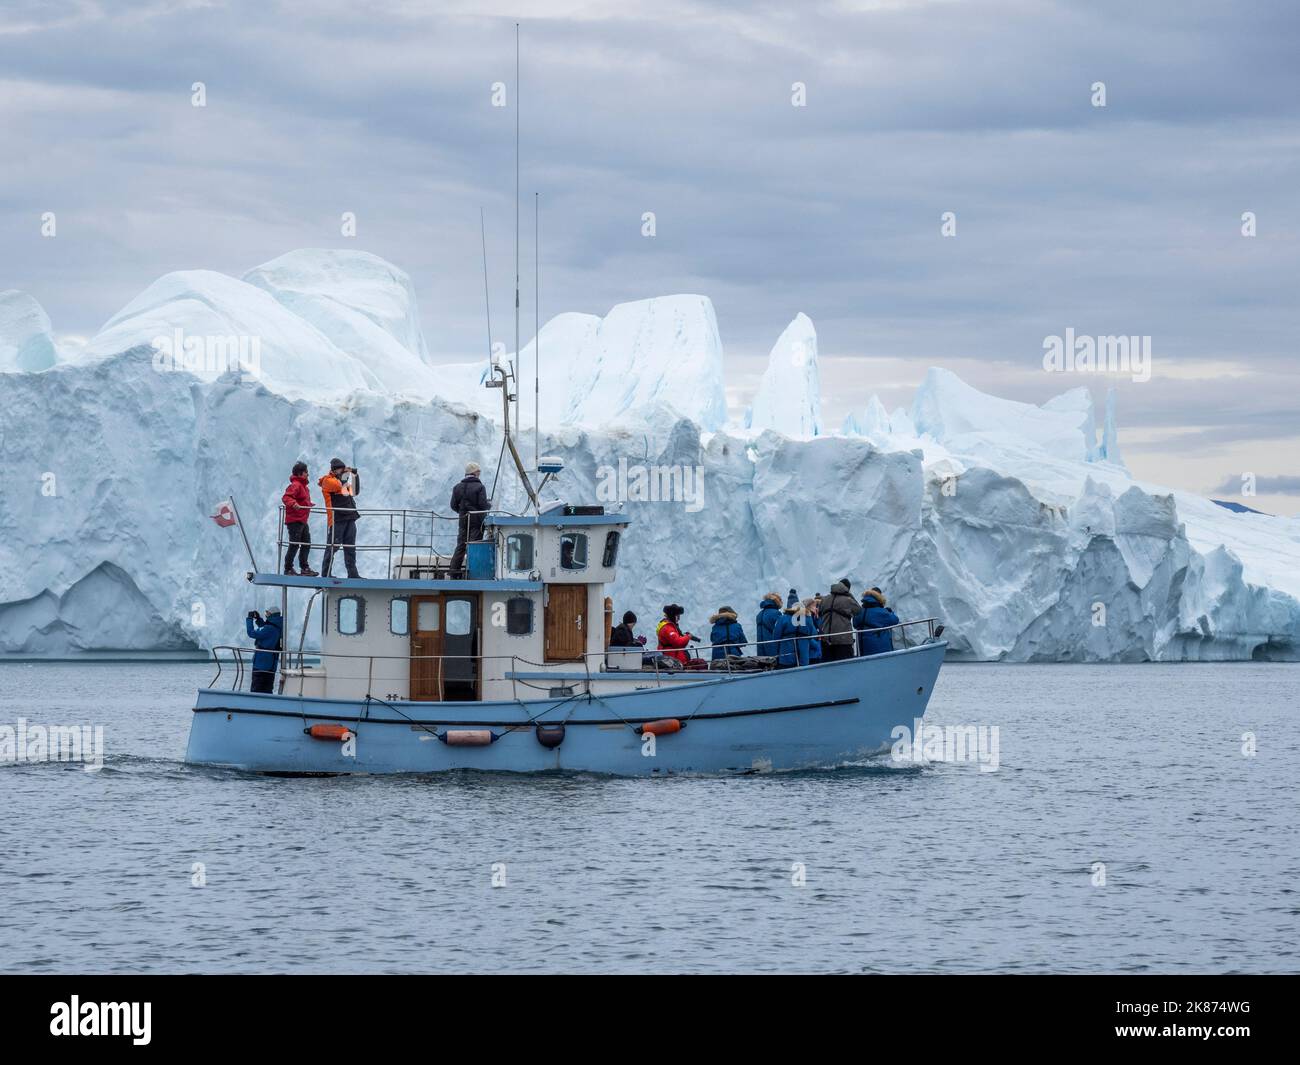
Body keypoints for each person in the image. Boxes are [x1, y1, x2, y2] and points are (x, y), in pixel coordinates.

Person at [319, 458, 361, 578]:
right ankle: (326, 574)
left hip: (349, 517)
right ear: (334, 470)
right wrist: (345, 475)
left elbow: (355, 492)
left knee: (350, 547)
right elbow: (338, 486)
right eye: (341, 469)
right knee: (333, 547)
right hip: (337, 519)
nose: (343, 471)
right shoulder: (328, 481)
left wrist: (355, 475)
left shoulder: (343, 482)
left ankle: (353, 574)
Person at [450, 461, 490, 577]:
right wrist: (489, 505)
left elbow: (453, 505)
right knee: (474, 546)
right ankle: (473, 572)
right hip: (477, 522)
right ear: (475, 472)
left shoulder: (457, 487)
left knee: (461, 545)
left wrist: (462, 512)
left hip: (463, 521)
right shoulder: (480, 487)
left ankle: (453, 571)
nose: (479, 474)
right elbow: (482, 505)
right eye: (479, 471)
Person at [281, 461, 318, 576]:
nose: (308, 474)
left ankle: (304, 568)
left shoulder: (303, 487)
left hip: (301, 520)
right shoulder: (296, 485)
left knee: (306, 543)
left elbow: (302, 500)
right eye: (306, 472)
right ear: (300, 473)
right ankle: (288, 568)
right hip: (295, 520)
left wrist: (308, 504)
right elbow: (286, 497)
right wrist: (293, 503)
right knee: (295, 543)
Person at [245, 607, 284, 694]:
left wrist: (249, 619)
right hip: (270, 664)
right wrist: (258, 619)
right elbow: (266, 629)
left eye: (268, 613)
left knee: (257, 688)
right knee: (267, 688)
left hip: (262, 664)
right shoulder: (278, 626)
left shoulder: (269, 629)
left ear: (272, 615)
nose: (266, 615)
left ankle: (255, 705)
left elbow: (251, 633)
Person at [774, 597, 820, 668]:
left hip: (786, 655)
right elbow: (811, 634)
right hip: (803, 655)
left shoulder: (783, 618)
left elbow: (776, 636)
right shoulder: (808, 619)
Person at [820, 578, 859, 661]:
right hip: (843, 641)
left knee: (828, 670)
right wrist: (850, 595)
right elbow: (859, 611)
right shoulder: (848, 600)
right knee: (846, 669)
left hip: (826, 641)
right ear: (847, 589)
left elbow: (819, 613)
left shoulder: (824, 599)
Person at [855, 587, 900, 656]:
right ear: (879, 597)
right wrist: (890, 612)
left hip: (863, 649)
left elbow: (855, 624)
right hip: (879, 649)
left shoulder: (859, 611)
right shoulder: (881, 612)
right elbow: (895, 620)